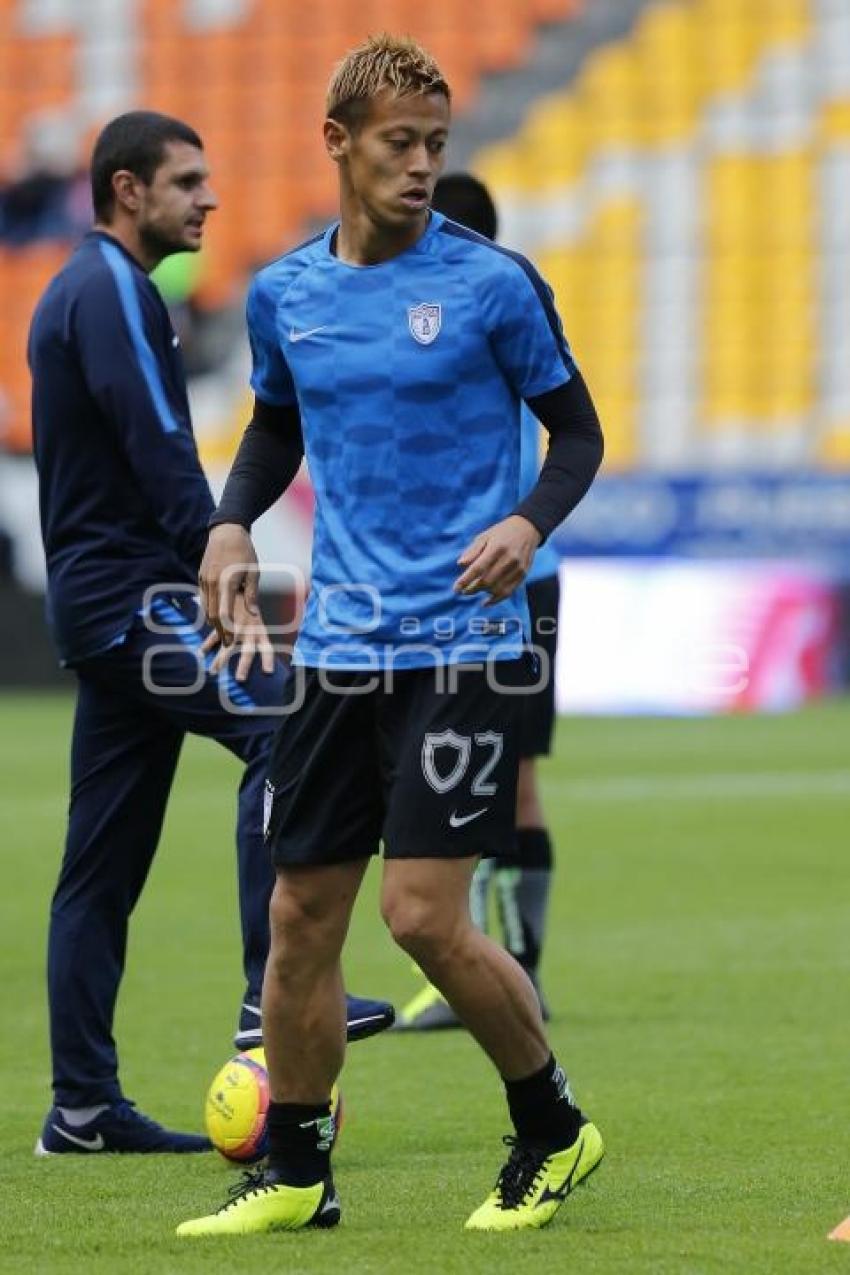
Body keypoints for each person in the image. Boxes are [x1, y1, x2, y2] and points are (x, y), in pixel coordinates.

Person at [178, 33, 604, 1237]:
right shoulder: (287, 294)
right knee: (299, 919)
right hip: (338, 648)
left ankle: (554, 1130)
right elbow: (274, 429)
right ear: (337, 144)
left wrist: (527, 520)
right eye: (397, 145)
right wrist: (228, 527)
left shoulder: (493, 285)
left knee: (418, 916)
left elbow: (577, 436)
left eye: (434, 146)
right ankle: (298, 1171)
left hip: (464, 640)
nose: (420, 168)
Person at [28, 110, 393, 1156]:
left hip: (107, 601)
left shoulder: (90, 291)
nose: (210, 199)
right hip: (132, 599)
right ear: (127, 190)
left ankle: (84, 1109)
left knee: (98, 865)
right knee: (286, 721)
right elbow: (158, 441)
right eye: (187, 181)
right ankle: (265, 995)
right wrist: (216, 547)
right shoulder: (109, 292)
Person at [397, 172, 562, 1031]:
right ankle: (498, 963)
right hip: (469, 578)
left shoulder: (493, 294)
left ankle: (509, 968)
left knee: (508, 780)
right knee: (495, 779)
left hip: (515, 578)